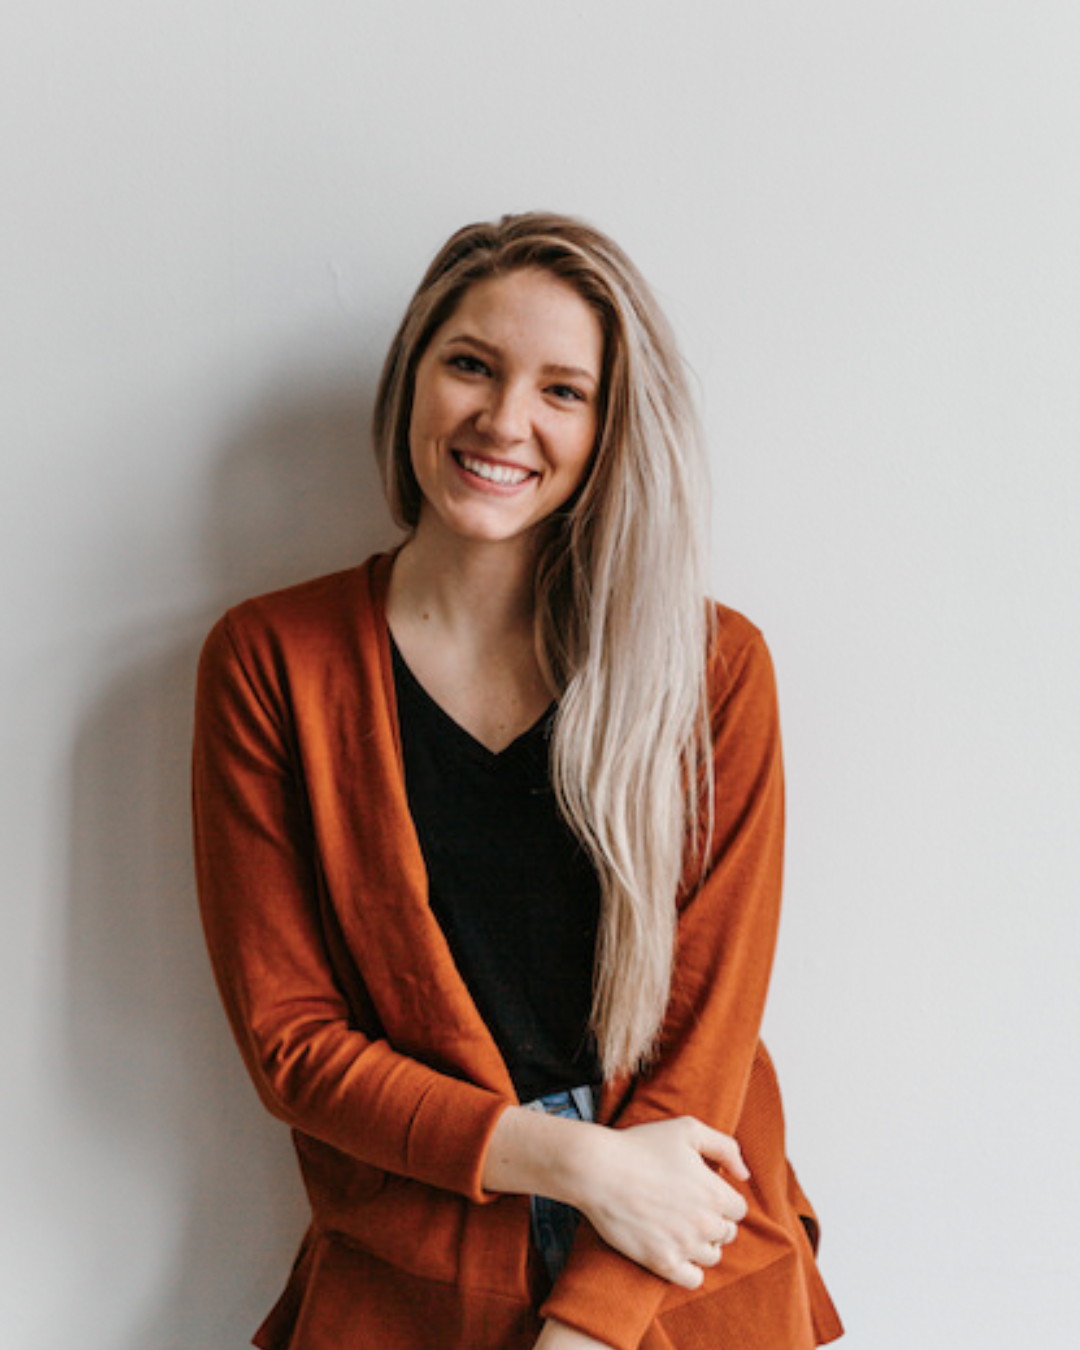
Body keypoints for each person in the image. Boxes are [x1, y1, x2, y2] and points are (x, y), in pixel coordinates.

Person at [192, 211, 843, 1350]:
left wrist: (586, 1327)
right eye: (471, 365)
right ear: (412, 380)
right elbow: (293, 1042)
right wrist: (579, 1163)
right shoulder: (268, 662)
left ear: (607, 429)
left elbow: (709, 1027)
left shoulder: (713, 671)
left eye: (563, 391)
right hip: (414, 1268)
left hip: (686, 1255)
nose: (503, 420)